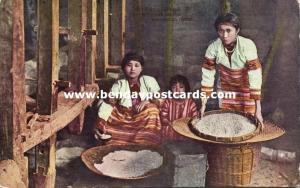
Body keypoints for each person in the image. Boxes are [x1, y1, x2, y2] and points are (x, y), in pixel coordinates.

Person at [200, 12, 263, 127]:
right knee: (228, 122)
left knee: (248, 123)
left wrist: (258, 110)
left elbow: (255, 76)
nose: (224, 35)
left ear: (237, 30)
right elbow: (207, 75)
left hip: (246, 88)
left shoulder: (247, 45)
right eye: (221, 30)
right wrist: (203, 104)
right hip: (226, 87)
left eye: (229, 30)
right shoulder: (213, 47)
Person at [94, 52, 162, 145]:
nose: (133, 68)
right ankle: (119, 139)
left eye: (136, 65)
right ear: (124, 68)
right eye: (129, 65)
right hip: (124, 117)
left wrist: (147, 101)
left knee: (152, 110)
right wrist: (100, 122)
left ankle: (144, 140)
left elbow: (160, 98)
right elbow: (109, 103)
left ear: (141, 68)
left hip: (142, 117)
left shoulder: (149, 80)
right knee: (110, 112)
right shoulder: (120, 84)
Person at [160, 75, 198, 142]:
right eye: (174, 88)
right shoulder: (168, 102)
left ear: (186, 89)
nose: (178, 90)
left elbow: (195, 119)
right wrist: (171, 124)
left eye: (181, 87)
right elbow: (163, 118)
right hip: (171, 130)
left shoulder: (190, 103)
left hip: (186, 130)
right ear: (171, 90)